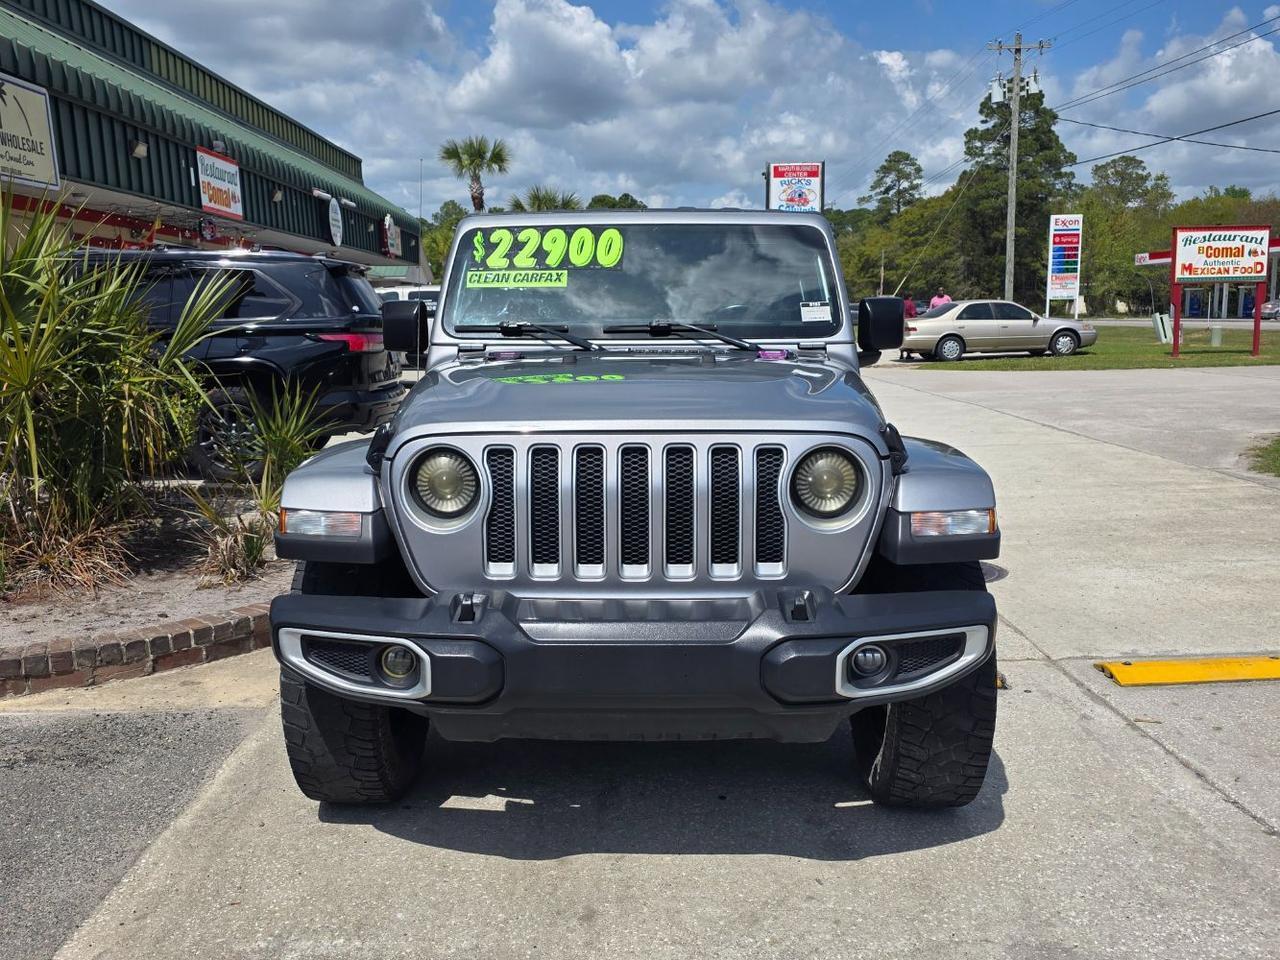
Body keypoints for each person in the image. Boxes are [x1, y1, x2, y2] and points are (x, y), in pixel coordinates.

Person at [900, 293, 917, 360]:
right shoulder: (911, 303)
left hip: (901, 321)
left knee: (902, 338)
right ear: (910, 297)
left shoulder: (901, 303)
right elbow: (913, 313)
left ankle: (901, 354)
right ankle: (908, 354)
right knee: (908, 337)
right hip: (908, 321)